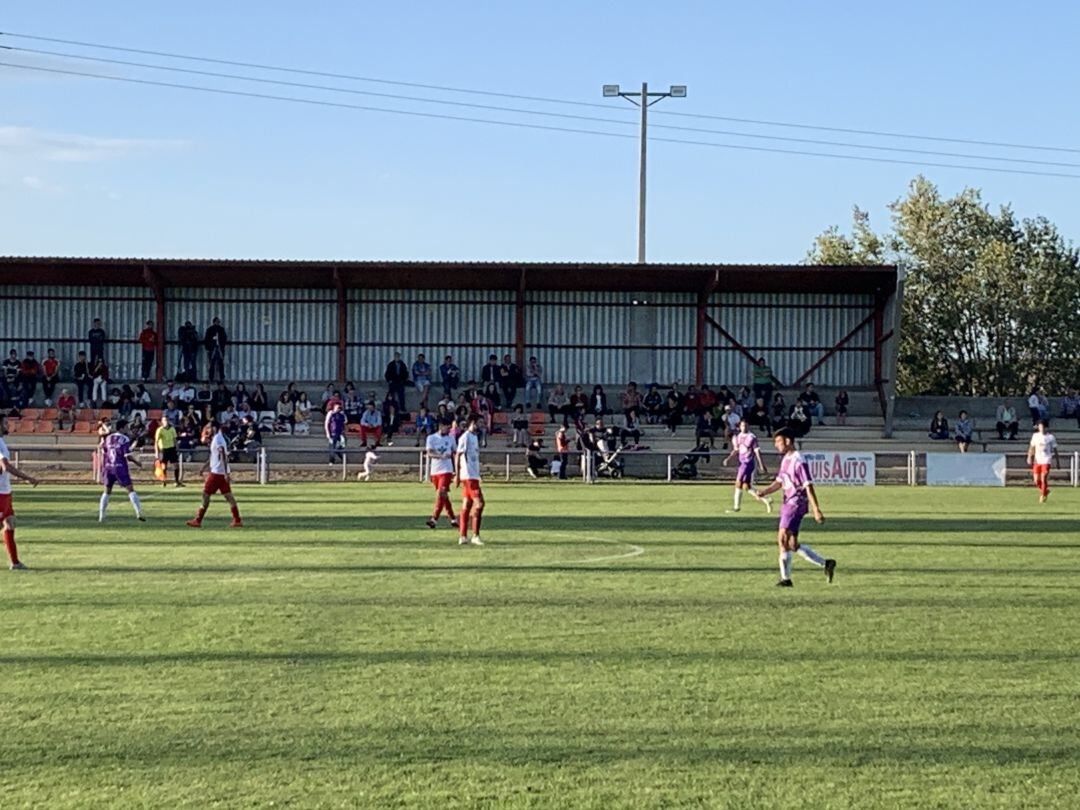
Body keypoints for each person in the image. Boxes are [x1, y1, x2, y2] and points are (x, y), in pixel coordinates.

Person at [751, 428, 835, 588]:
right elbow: (780, 481)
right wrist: (765, 491)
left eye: (778, 441)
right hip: (788, 502)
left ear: (788, 441)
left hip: (795, 503)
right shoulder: (786, 459)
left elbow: (808, 485)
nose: (776, 445)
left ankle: (786, 579)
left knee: (781, 538)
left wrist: (816, 509)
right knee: (792, 544)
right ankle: (826, 564)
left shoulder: (798, 460)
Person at [0, 415, 40, 570]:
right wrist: (27, 478)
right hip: (1, 494)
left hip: (6, 492)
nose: (7, 425)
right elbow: (5, 466)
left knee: (10, 523)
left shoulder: (2, 441)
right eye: (4, 423)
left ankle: (15, 562)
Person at [187, 422, 243, 527]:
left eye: (209, 427)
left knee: (205, 495)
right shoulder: (218, 438)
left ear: (214, 428)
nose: (207, 430)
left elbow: (222, 455)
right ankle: (237, 519)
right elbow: (214, 456)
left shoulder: (218, 439)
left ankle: (198, 520)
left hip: (217, 473)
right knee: (229, 497)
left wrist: (226, 472)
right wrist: (204, 467)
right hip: (220, 472)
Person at [98, 420, 146, 522]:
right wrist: (137, 462)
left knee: (107, 491)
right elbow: (127, 455)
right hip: (120, 467)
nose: (128, 429)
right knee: (130, 490)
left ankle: (101, 515)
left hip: (108, 467)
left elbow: (103, 449)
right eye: (126, 427)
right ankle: (139, 512)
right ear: (121, 428)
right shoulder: (124, 439)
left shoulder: (108, 438)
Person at [724, 419, 772, 513]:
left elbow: (757, 452)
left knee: (738, 483)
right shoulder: (738, 436)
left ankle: (736, 507)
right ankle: (766, 500)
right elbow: (737, 450)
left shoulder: (752, 437)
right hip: (742, 463)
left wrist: (761, 465)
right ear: (740, 427)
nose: (744, 427)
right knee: (747, 486)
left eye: (745, 426)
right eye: (742, 426)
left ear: (748, 426)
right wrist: (728, 458)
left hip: (748, 463)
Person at [454, 415, 485, 546]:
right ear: (473, 423)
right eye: (480, 422)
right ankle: (475, 535)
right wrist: (457, 474)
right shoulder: (465, 437)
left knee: (466, 506)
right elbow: (458, 455)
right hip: (468, 476)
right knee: (480, 504)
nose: (482, 424)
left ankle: (462, 536)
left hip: (473, 476)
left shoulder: (474, 437)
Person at [424, 419, 458, 530]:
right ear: (441, 426)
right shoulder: (431, 438)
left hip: (446, 470)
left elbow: (455, 452)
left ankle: (434, 519)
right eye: (447, 427)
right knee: (444, 496)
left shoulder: (451, 438)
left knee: (441, 493)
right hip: (435, 471)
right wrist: (440, 456)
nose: (448, 430)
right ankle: (453, 519)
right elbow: (429, 452)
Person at [1027, 420, 1058, 504]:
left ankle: (1042, 496)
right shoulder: (1035, 436)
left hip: (1046, 460)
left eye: (1043, 427)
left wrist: (1057, 461)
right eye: (1040, 427)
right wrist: (1029, 457)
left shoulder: (1051, 437)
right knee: (1036, 480)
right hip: (1037, 460)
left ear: (1046, 427)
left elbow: (1055, 450)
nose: (1041, 429)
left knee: (1043, 478)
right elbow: (1031, 447)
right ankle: (1045, 491)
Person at [155, 413, 182, 487]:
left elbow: (175, 439)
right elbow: (156, 442)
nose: (166, 421)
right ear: (162, 421)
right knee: (164, 466)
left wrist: (177, 449)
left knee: (176, 465)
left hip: (172, 449)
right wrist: (157, 452)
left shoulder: (172, 429)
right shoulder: (159, 430)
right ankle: (164, 481)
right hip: (164, 449)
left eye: (167, 420)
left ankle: (176, 481)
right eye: (164, 420)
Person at [204, 317, 228, 384]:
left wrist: (221, 345)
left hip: (219, 348)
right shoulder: (210, 329)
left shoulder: (221, 329)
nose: (218, 323)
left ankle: (221, 378)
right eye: (217, 321)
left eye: (218, 321)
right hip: (212, 349)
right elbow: (206, 340)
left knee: (221, 364)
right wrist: (208, 348)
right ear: (214, 322)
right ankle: (211, 378)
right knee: (212, 364)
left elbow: (224, 338)